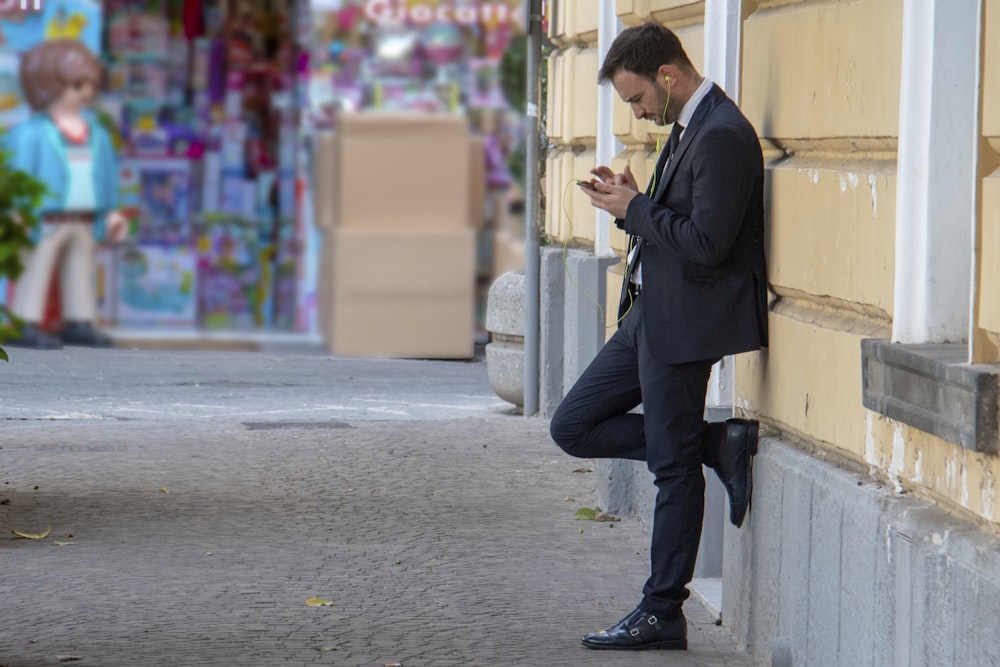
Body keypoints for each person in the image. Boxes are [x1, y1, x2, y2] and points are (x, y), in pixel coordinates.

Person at [549, 22, 768, 651]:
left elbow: (708, 243)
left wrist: (634, 211)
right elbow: (684, 223)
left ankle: (662, 611)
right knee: (573, 425)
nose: (638, 113)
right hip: (652, 313)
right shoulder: (690, 127)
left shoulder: (723, 134)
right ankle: (716, 442)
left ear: (667, 77)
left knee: (672, 471)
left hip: (686, 323)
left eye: (638, 99)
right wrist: (632, 200)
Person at [5, 38, 127, 350]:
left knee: (80, 268)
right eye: (76, 84)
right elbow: (17, 176)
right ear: (46, 85)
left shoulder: (96, 134)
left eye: (88, 84)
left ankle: (80, 320)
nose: (85, 93)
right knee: (35, 266)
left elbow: (107, 175)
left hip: (84, 216)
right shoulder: (29, 134)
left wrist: (111, 212)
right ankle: (24, 321)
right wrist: (16, 211)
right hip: (43, 217)